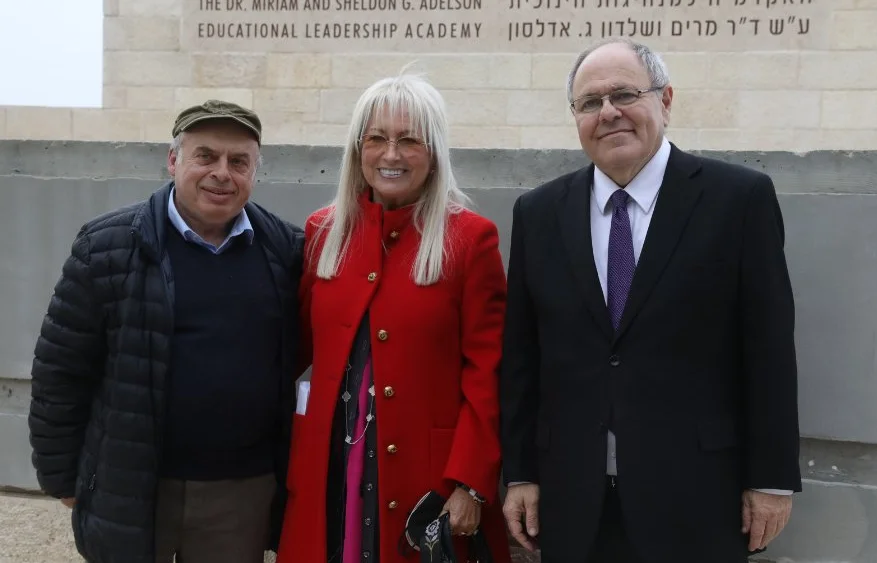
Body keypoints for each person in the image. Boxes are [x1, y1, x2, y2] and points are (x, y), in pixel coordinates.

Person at [499, 38, 802, 563]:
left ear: (665, 100)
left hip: (698, 498)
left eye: (624, 94)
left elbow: (769, 350)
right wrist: (520, 472)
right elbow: (523, 358)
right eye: (590, 103)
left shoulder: (738, 200)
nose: (608, 113)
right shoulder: (538, 213)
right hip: (573, 500)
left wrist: (772, 479)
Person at [27, 100, 304, 563]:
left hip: (240, 492)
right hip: (133, 483)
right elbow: (60, 370)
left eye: (239, 162)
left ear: (256, 172)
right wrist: (61, 476)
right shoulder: (105, 247)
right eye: (205, 156)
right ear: (173, 160)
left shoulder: (288, 251)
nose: (221, 173)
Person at [275, 73, 511, 563]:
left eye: (409, 140)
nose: (391, 155)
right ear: (357, 148)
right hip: (328, 470)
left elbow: (487, 372)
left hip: (429, 479)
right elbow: (289, 350)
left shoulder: (471, 239)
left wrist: (470, 481)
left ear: (434, 152)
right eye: (377, 138)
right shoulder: (323, 231)